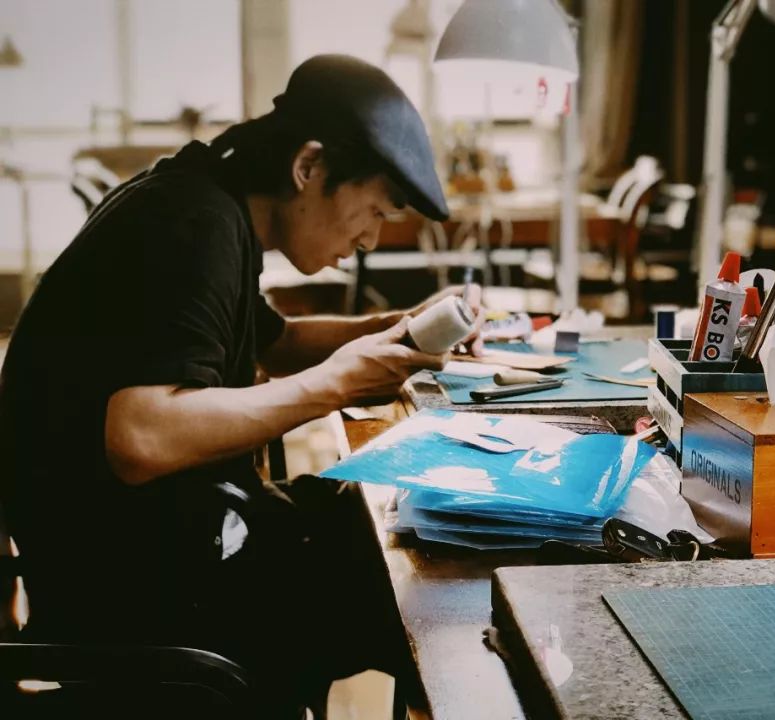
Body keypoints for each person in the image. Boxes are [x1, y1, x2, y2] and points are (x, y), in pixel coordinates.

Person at [0, 54, 472, 718]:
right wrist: (338, 383)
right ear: (308, 166)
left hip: (166, 542)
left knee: (402, 523)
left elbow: (275, 342)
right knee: (418, 588)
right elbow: (140, 436)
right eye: (373, 210)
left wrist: (398, 328)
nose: (370, 238)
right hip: (135, 592)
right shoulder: (192, 225)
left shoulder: (202, 199)